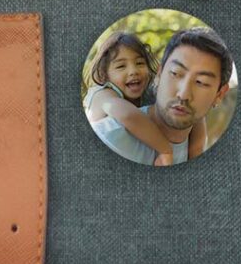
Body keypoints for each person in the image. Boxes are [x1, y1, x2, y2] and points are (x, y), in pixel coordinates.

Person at [87, 28, 229, 166]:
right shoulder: (103, 94)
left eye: (139, 63)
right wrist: (165, 150)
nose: (133, 71)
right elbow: (128, 115)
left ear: (219, 94)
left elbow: (197, 125)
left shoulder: (149, 91)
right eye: (120, 66)